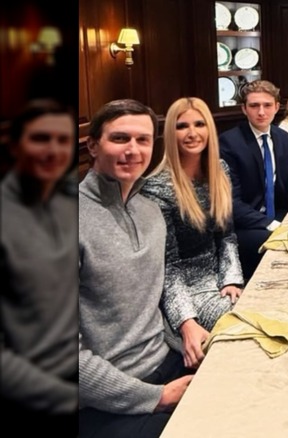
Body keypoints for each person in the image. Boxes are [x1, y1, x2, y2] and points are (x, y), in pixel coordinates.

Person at [79, 99, 193, 438]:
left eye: (143, 140)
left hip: (167, 361)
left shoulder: (150, 211)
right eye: (120, 138)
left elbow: (155, 296)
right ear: (92, 145)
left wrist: (188, 328)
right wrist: (155, 397)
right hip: (106, 396)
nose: (133, 150)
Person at [141, 97, 244, 370]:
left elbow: (227, 236)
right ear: (170, 133)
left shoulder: (220, 170)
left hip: (219, 279)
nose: (192, 133)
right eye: (182, 126)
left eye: (199, 124)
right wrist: (187, 321)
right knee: (242, 334)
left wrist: (232, 279)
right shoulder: (157, 188)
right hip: (184, 291)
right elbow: (166, 267)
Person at [1, 99, 78, 433]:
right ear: (14, 145)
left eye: (63, 141)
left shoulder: (69, 202)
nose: (53, 150)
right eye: (40, 139)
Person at [219, 80, 288, 281]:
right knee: (287, 244)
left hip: (278, 214)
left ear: (276, 107)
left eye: (267, 105)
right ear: (244, 109)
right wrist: (271, 225)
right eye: (254, 106)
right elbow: (231, 203)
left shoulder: (282, 137)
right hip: (246, 224)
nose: (261, 112)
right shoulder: (229, 142)